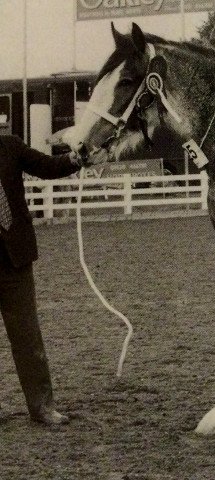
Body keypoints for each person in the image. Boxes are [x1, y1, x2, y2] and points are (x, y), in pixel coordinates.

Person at [0, 134, 87, 424]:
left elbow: (48, 166)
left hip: (15, 259)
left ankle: (42, 408)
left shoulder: (10, 146)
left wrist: (77, 158)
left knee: (28, 337)